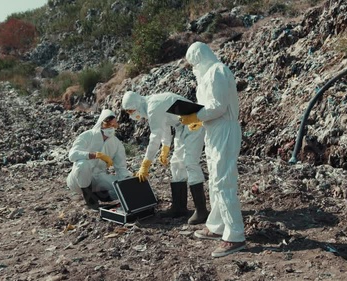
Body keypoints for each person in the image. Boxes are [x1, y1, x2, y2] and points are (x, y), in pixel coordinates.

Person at [179, 41, 246, 257]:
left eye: (193, 63)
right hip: (213, 131)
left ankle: (235, 236)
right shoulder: (207, 75)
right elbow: (209, 108)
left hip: (224, 129)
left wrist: (194, 115)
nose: (192, 67)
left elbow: (218, 106)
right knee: (216, 180)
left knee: (223, 181)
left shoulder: (218, 71)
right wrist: (196, 118)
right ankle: (217, 225)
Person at [121, 91, 209, 224]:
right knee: (176, 164)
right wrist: (165, 148)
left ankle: (201, 210)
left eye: (131, 111)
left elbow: (155, 136)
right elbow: (165, 126)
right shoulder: (152, 105)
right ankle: (179, 207)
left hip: (194, 124)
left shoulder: (153, 106)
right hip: (182, 126)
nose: (131, 114)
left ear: (137, 104)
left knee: (190, 162)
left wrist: (145, 164)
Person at [67, 109, 132, 210]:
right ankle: (90, 200)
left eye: (114, 126)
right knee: (83, 164)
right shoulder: (88, 135)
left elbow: (121, 168)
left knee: (125, 187)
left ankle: (97, 196)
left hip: (98, 178)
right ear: (101, 123)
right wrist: (94, 155)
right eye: (108, 125)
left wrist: (129, 178)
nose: (111, 128)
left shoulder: (116, 144)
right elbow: (72, 155)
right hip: (78, 179)